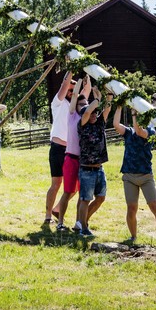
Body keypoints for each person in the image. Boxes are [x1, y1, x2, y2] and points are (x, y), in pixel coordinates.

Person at [113, 106, 156, 245]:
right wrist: (119, 106)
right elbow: (115, 124)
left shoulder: (150, 131)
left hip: (146, 177)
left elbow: (139, 131)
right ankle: (133, 237)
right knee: (131, 208)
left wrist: (134, 114)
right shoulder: (128, 132)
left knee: (155, 207)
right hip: (129, 176)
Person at [56, 76, 91, 231]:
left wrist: (88, 82)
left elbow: (89, 94)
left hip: (84, 161)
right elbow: (76, 96)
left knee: (82, 194)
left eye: (86, 104)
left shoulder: (88, 120)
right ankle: (60, 222)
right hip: (71, 159)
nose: (83, 106)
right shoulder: (72, 116)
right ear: (75, 106)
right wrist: (78, 85)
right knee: (67, 191)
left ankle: (78, 222)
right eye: (81, 104)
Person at [76, 84, 110, 237]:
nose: (94, 115)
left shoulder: (99, 124)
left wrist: (109, 94)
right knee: (85, 199)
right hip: (86, 169)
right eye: (91, 113)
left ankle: (84, 222)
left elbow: (108, 109)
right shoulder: (82, 125)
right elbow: (88, 110)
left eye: (96, 113)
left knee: (101, 198)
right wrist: (97, 98)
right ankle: (83, 228)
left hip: (99, 168)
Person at [45, 71, 74, 224]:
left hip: (71, 151)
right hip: (57, 148)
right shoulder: (58, 103)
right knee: (56, 184)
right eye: (69, 89)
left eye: (73, 90)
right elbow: (64, 85)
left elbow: (85, 91)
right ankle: (48, 215)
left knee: (74, 185)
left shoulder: (75, 108)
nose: (70, 92)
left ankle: (57, 209)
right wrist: (71, 70)